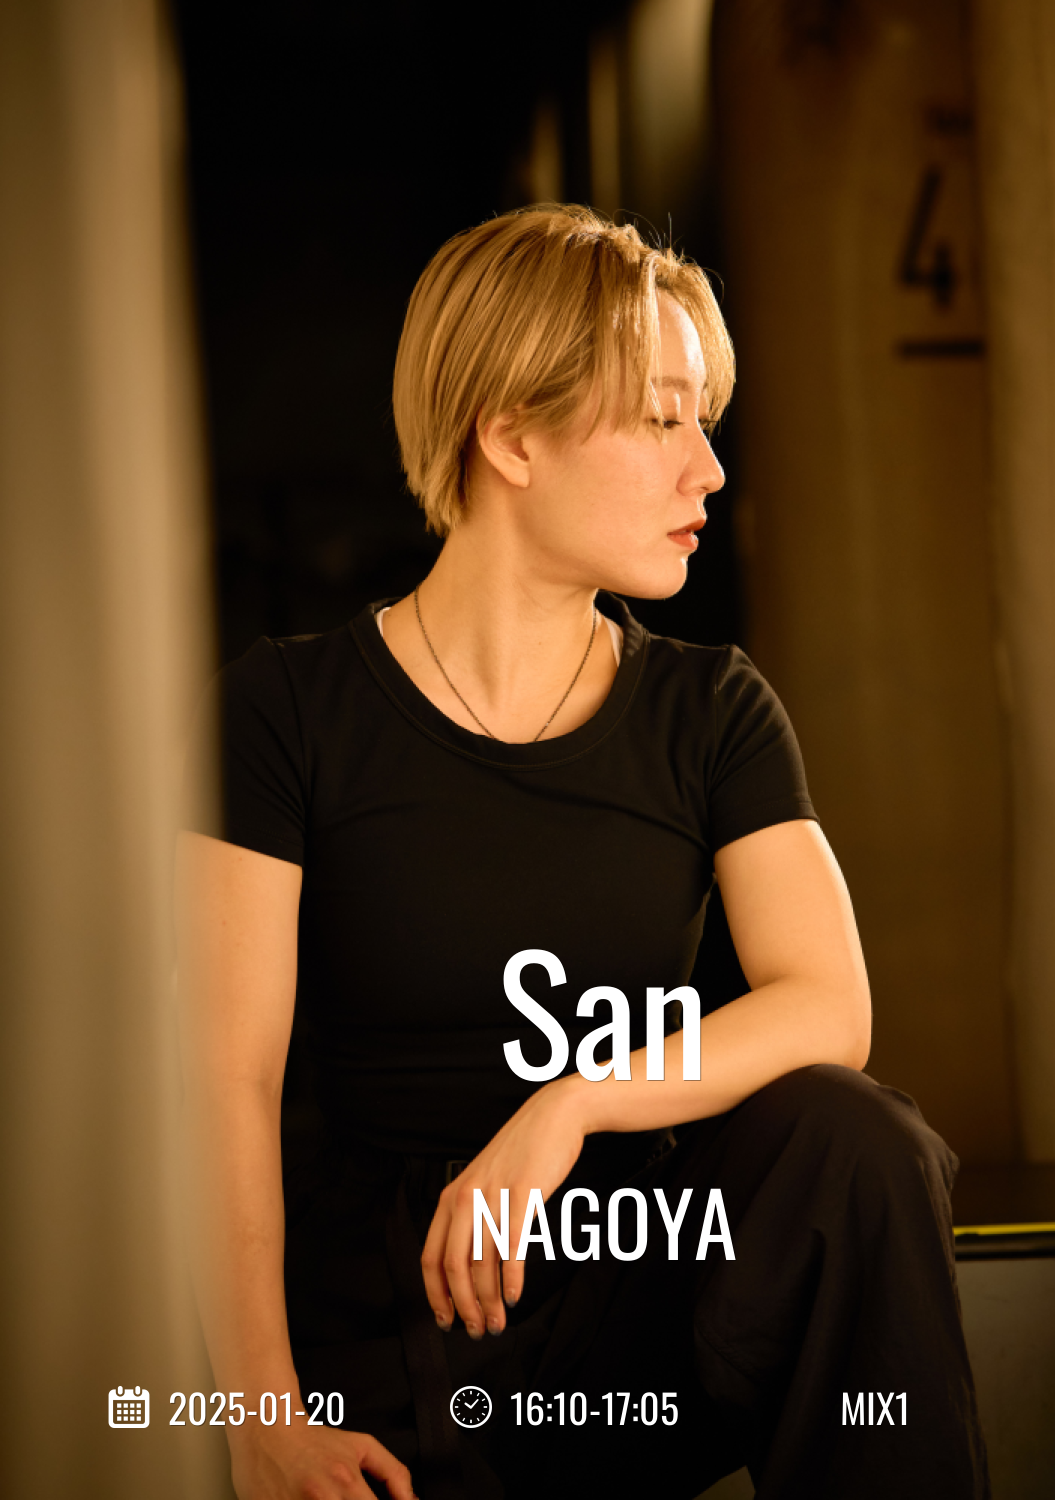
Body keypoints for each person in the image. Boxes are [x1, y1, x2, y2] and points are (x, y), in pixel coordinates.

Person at [177, 204, 990, 1500]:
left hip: (635, 1299)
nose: (708, 469)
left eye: (702, 420)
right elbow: (221, 1083)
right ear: (510, 436)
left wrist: (571, 1105)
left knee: (857, 1143)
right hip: (394, 1328)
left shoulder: (712, 709)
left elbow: (829, 1004)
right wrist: (261, 1417)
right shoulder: (284, 713)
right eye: (663, 419)